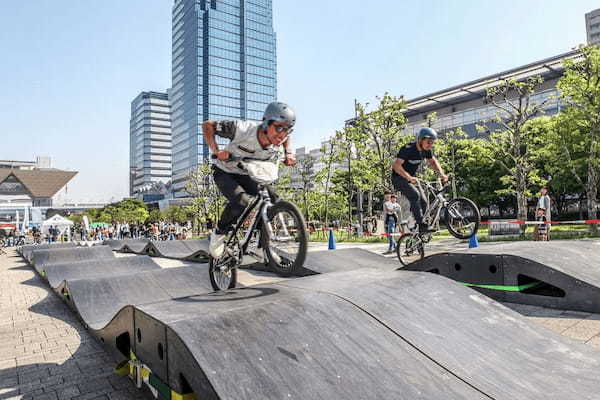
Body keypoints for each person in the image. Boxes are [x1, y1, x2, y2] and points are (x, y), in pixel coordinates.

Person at [203, 101, 297, 258]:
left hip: (249, 174)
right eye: (279, 128)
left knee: (273, 200)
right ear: (266, 123)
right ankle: (219, 233)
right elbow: (208, 126)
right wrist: (217, 151)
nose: (282, 135)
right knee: (242, 201)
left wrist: (289, 153)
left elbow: (286, 138)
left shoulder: (280, 138)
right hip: (225, 171)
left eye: (287, 130)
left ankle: (263, 246)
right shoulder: (242, 129)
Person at [392, 127, 448, 234]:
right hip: (398, 178)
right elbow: (396, 166)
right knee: (415, 195)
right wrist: (408, 177)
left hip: (411, 179)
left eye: (432, 143)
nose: (430, 145)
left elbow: (433, 162)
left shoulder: (426, 151)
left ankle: (418, 224)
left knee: (424, 201)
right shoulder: (408, 149)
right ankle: (420, 224)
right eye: (428, 142)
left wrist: (442, 174)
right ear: (420, 140)